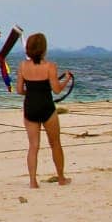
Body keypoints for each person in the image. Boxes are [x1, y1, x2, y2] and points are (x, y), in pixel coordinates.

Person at [17, 33, 73, 189]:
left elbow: (19, 90)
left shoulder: (22, 66)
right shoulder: (50, 66)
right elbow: (56, 90)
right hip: (47, 107)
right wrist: (67, 80)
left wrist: (31, 92)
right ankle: (61, 178)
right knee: (55, 143)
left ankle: (33, 181)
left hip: (30, 107)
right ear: (43, 49)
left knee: (33, 146)